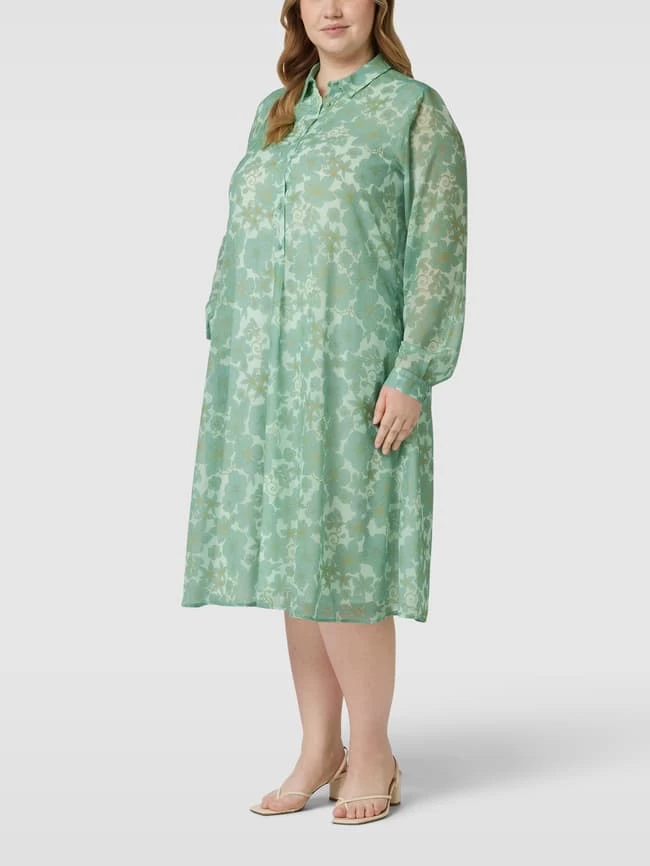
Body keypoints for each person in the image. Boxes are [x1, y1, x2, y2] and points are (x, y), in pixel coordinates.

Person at [181, 0, 467, 825]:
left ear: (379, 6)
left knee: (348, 563)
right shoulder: (275, 112)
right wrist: (222, 327)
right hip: (265, 376)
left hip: (356, 375)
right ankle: (318, 746)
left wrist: (413, 370)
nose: (331, 8)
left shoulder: (413, 112)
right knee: (296, 561)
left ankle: (372, 751)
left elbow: (439, 249)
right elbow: (238, 239)